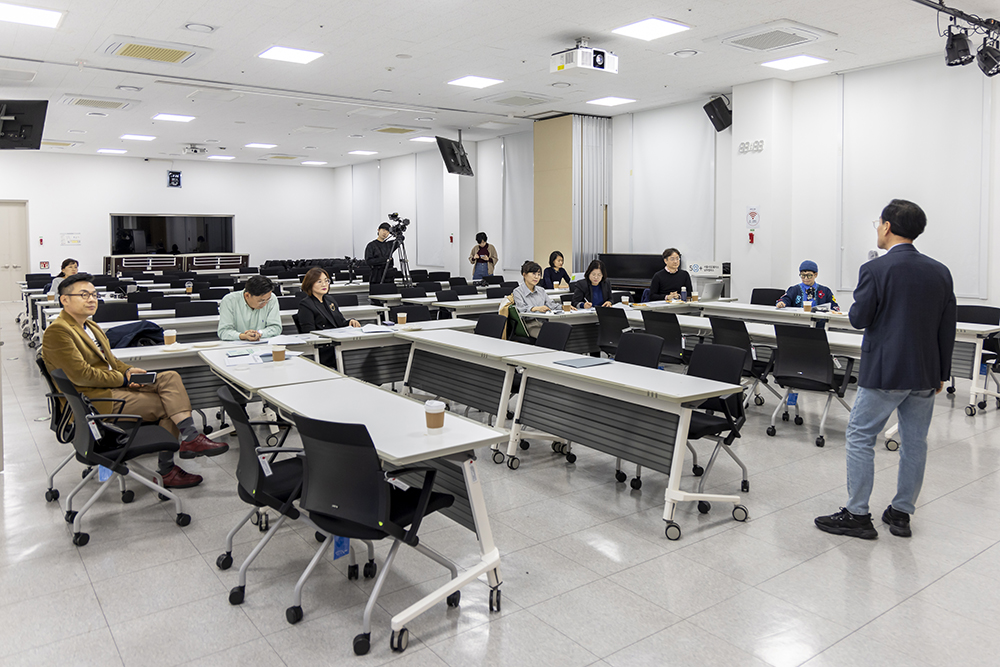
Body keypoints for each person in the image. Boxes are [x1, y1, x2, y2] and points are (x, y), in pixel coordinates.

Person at [815, 199, 956, 539]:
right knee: (915, 443)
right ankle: (901, 513)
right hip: (925, 373)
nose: (878, 229)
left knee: (860, 436)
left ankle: (857, 514)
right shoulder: (940, 271)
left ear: (888, 226)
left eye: (879, 223)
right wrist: (941, 372)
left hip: (885, 371)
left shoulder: (875, 269)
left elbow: (859, 318)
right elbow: (946, 326)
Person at [41, 273, 229, 489]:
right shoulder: (58, 331)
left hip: (109, 387)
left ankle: (190, 438)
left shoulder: (91, 326)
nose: (92, 299)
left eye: (94, 294)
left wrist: (129, 370)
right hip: (94, 399)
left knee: (170, 377)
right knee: (167, 406)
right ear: (64, 300)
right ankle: (168, 469)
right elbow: (82, 375)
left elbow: (110, 361)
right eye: (84, 295)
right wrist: (123, 379)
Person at [512, 260, 569, 337]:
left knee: (563, 333)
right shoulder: (517, 291)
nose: (536, 277)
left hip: (544, 323)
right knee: (549, 336)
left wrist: (563, 307)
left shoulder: (541, 290)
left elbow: (551, 305)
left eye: (539, 274)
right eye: (533, 274)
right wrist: (536, 308)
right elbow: (521, 309)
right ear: (524, 275)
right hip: (530, 325)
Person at [218, 275, 282, 341]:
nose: (265, 304)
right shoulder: (229, 301)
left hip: (264, 343)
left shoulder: (272, 299)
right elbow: (224, 332)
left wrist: (259, 333)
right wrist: (243, 336)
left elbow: (276, 328)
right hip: (236, 344)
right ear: (247, 295)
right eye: (261, 301)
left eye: (268, 299)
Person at [776, 260, 840, 311]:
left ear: (815, 275)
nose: (806, 278)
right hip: (798, 321)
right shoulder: (794, 289)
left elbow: (835, 306)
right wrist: (782, 303)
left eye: (809, 275)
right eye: (803, 275)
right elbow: (785, 299)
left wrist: (833, 310)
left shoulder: (825, 291)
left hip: (819, 322)